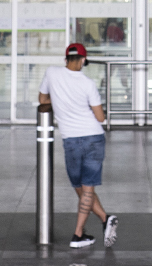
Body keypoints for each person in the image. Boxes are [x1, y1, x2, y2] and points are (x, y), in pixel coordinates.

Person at [39, 43, 118, 249]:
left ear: (66, 59)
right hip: (93, 138)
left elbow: (42, 98)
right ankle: (103, 220)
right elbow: (100, 117)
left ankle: (79, 233)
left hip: (70, 140)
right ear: (83, 60)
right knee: (86, 188)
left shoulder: (52, 73)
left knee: (81, 188)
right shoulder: (87, 83)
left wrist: (59, 101)